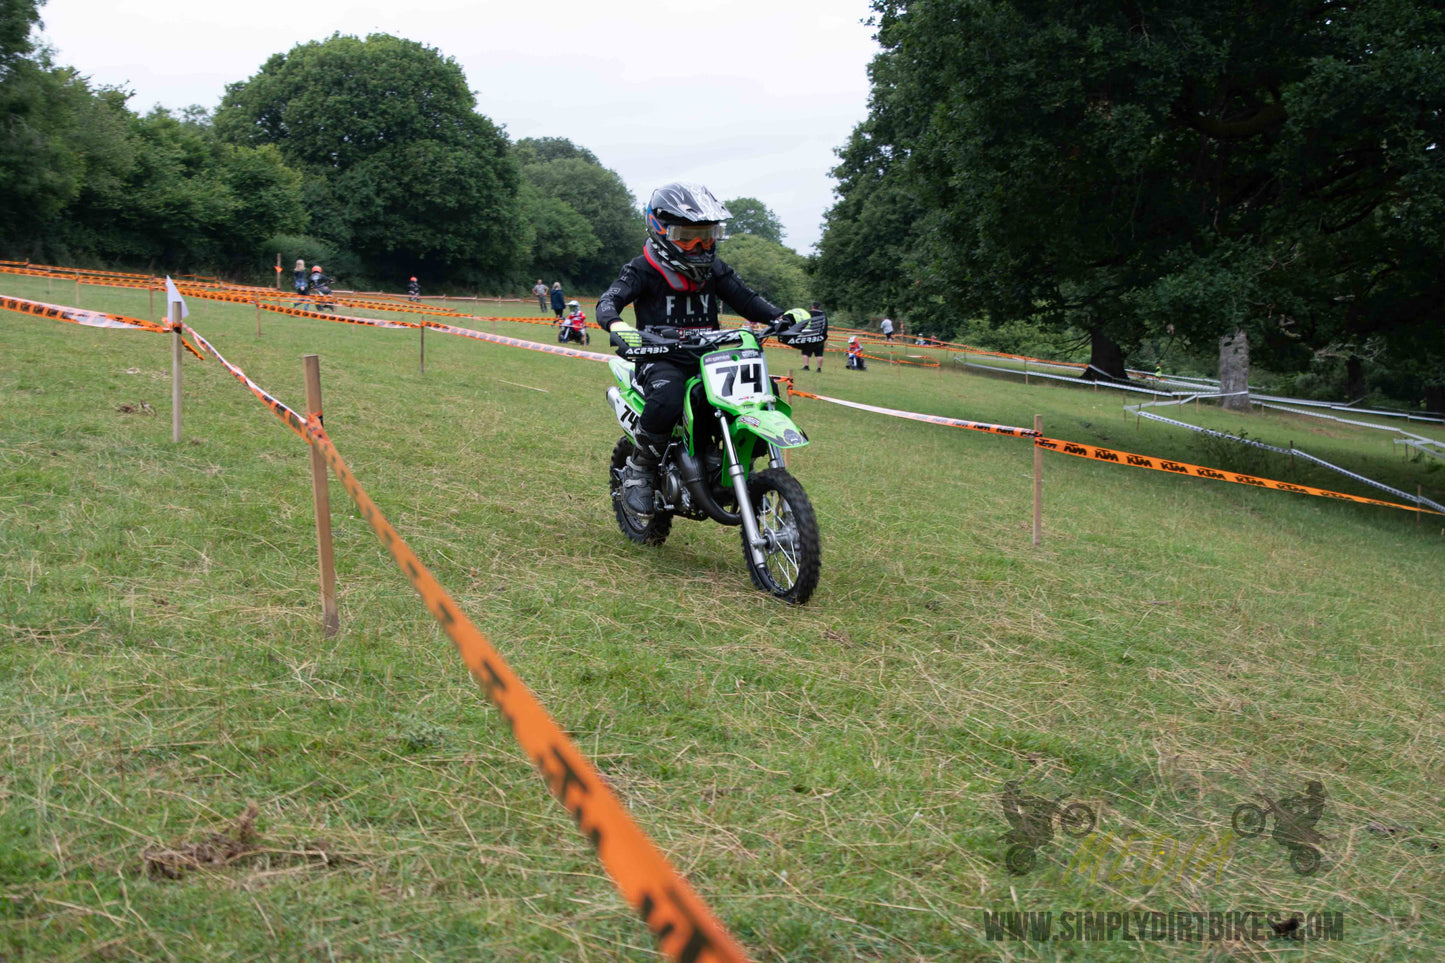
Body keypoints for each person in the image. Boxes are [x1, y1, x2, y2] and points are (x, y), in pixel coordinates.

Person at [597, 182, 786, 519]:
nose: (699, 245)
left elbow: (747, 299)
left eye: (707, 235)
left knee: (763, 391)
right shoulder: (643, 268)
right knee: (668, 396)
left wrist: (782, 318)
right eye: (686, 236)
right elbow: (609, 301)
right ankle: (640, 470)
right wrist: (618, 326)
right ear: (660, 230)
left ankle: (740, 468)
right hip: (661, 359)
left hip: (712, 358)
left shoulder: (714, 270)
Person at [800, 300, 827, 371]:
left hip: (809, 334)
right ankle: (819, 368)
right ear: (819, 307)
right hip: (819, 335)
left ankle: (806, 366)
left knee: (805, 352)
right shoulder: (823, 315)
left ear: (812, 306)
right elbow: (825, 326)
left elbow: (803, 324)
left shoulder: (808, 314)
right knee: (820, 354)